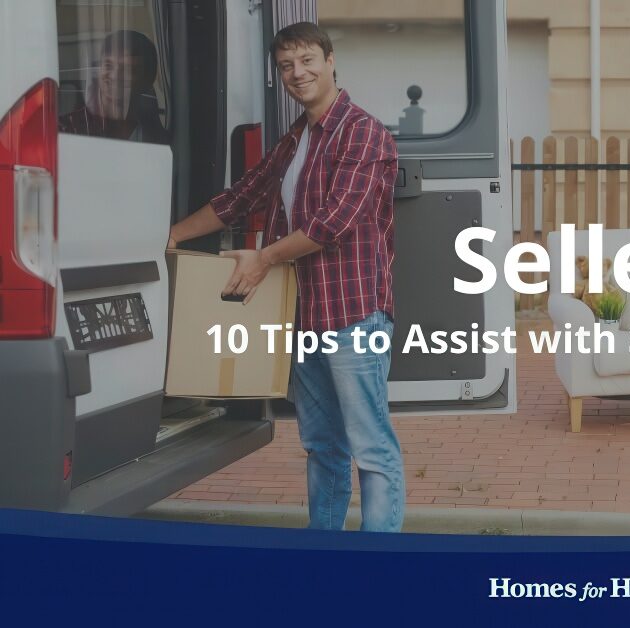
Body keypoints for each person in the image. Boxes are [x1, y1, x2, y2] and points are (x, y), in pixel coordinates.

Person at [166, 22, 404, 533]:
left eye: (307, 61)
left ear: (331, 60)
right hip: (306, 316)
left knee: (371, 449)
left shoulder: (364, 132)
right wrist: (171, 236)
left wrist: (264, 257)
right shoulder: (296, 138)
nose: (298, 74)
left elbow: (331, 225)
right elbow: (240, 197)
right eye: (286, 66)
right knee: (323, 447)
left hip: (354, 314)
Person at [60, 29, 169, 144]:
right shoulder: (67, 129)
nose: (114, 76)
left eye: (128, 69)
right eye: (108, 65)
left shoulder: (158, 137)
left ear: (147, 81)